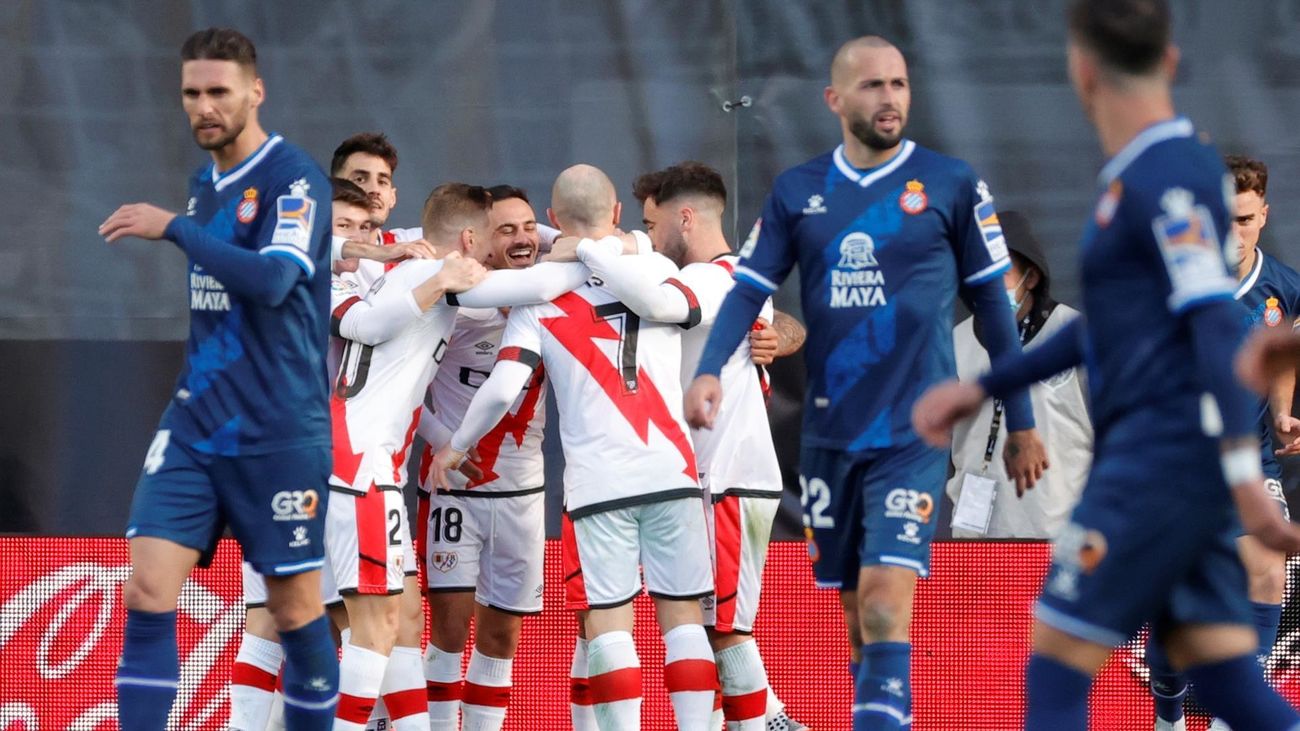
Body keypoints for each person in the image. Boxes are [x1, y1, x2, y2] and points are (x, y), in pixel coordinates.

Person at [912, 2, 1300, 729]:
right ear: (1171, 62)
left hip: (1152, 474)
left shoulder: (1166, 175)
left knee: (1056, 670)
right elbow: (1114, 329)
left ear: (1080, 70)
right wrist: (987, 385)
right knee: (1229, 686)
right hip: (1173, 473)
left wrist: (1244, 477)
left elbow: (1215, 322)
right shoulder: (1143, 173)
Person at [684, 35, 1047, 730]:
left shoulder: (952, 184)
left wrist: (1022, 421)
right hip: (831, 437)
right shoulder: (800, 191)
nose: (889, 98)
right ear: (835, 99)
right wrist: (709, 370)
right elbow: (747, 288)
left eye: (899, 84)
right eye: (873, 85)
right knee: (858, 617)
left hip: (913, 433)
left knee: (884, 603)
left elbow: (995, 307)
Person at [99, 28, 340, 730]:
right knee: (146, 589)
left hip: (279, 429)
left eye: (218, 92)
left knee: (293, 609)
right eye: (191, 93)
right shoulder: (203, 185)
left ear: (254, 92)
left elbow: (274, 281)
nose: (204, 106)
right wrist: (184, 223)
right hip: (196, 421)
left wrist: (176, 230)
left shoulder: (295, 177)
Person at [431, 165, 719, 731]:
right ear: (618, 213)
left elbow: (503, 389)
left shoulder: (539, 298)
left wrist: (456, 446)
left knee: (609, 624)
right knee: (684, 619)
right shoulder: (658, 269)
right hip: (672, 469)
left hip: (597, 483)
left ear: (552, 220)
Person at [549, 161, 807, 730]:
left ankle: (769, 720)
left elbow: (664, 305)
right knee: (661, 624)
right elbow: (775, 323)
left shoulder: (715, 279)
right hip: (691, 477)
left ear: (684, 218)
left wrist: (592, 250)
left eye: (652, 224)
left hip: (725, 477)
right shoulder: (722, 277)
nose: (647, 236)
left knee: (722, 630)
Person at [328, 183, 594, 731]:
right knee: (373, 630)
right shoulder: (441, 279)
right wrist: (607, 250)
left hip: (358, 464)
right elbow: (543, 282)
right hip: (362, 466)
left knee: (398, 621)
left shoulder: (395, 273)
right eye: (499, 231)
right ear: (472, 240)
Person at [1148, 155, 1300, 731]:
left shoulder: (1284, 288)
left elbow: (1282, 356)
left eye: (1243, 219)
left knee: (1268, 568)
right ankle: (1168, 714)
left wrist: (1282, 412)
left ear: (1263, 215)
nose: (1232, 231)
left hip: (1247, 459)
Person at [227, 178, 373, 731]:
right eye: (344, 228)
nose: (358, 240)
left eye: (366, 228)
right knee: (285, 618)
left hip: (323, 467)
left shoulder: (357, 281)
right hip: (285, 465)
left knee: (318, 624)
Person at [415, 185, 550, 730]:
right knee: (448, 630)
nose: (522, 238)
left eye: (530, 227)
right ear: (478, 240)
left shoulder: (552, 297)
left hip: (522, 492)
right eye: (506, 229)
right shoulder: (452, 302)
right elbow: (404, 393)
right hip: (455, 490)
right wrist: (440, 441)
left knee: (500, 637)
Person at [946, 211, 1091, 539]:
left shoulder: (1072, 334)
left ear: (1032, 276)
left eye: (1000, 273)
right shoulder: (955, 342)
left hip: (1058, 534)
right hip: (974, 538)